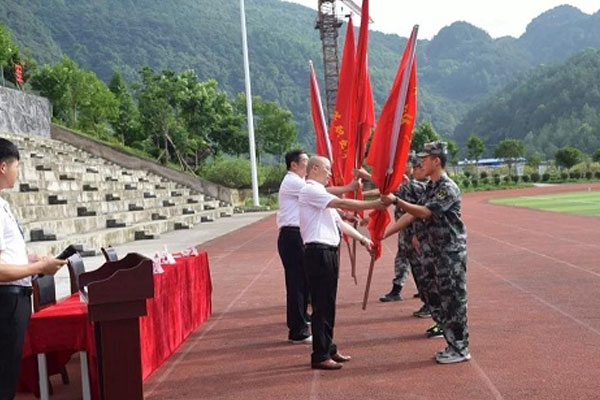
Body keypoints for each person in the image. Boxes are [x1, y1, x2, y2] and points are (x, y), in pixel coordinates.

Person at [382, 142, 470, 364]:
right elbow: (410, 216)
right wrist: (382, 235)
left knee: (453, 300)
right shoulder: (430, 187)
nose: (420, 162)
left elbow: (424, 212)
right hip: (432, 253)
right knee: (434, 299)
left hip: (449, 253)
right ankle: (451, 342)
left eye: (425, 158)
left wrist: (397, 201)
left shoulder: (446, 188)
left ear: (436, 160)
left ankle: (460, 347)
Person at [299, 155, 383, 370]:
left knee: (328, 304)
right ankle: (320, 355)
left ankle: (329, 347)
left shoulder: (321, 195)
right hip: (318, 252)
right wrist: (376, 203)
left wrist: (363, 239)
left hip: (328, 251)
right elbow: (343, 202)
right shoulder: (311, 190)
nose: (330, 174)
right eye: (327, 170)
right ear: (315, 169)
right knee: (321, 305)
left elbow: (339, 223)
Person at [0, 138, 67, 399]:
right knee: (4, 377)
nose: (19, 171)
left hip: (14, 300)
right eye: (17, 165)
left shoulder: (3, 204)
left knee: (8, 372)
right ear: (3, 167)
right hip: (6, 302)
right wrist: (38, 267)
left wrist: (30, 260)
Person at [276, 150, 358, 344]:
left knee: (305, 282)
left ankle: (304, 320)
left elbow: (323, 201)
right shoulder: (294, 182)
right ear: (293, 165)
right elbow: (324, 194)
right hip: (292, 234)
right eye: (305, 162)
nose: (308, 165)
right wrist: (349, 187)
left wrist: (344, 215)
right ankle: (298, 329)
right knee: (297, 283)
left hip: (299, 235)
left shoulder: (302, 184)